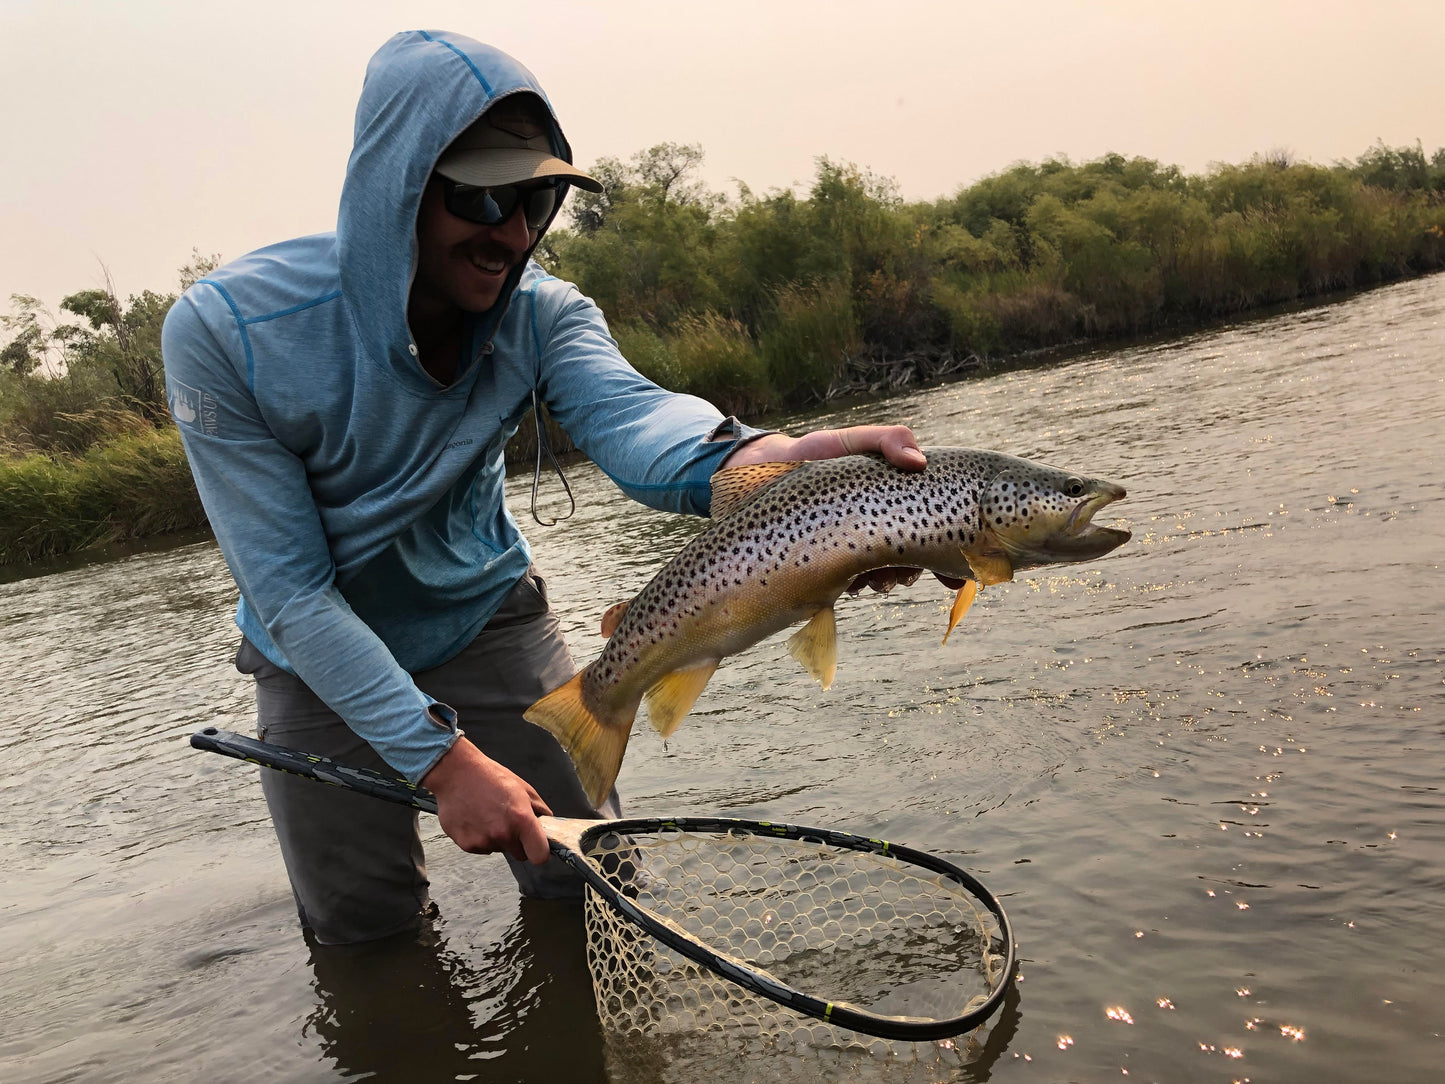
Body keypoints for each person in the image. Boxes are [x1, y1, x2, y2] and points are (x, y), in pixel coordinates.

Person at [162, 29, 926, 946]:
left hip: (488, 620)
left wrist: (758, 462)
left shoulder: (545, 314)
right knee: (363, 937)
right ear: (394, 187)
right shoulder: (226, 332)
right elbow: (288, 590)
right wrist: (443, 763)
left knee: (596, 884)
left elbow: (636, 421)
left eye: (537, 198)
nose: (512, 233)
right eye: (482, 195)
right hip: (309, 660)